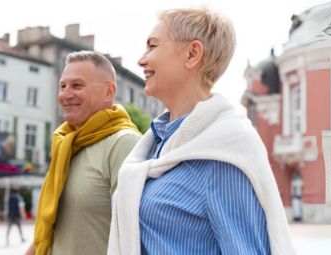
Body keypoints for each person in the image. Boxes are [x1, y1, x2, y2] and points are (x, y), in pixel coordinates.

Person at [108, 7, 297, 255]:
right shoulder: (155, 144)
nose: (142, 60)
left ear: (192, 54)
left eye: (153, 46)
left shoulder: (223, 155)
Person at [26, 51, 141, 255]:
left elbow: (137, 236)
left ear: (109, 91)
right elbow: (54, 227)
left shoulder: (123, 143)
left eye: (77, 85)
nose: (66, 94)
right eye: (62, 86)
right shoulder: (67, 145)